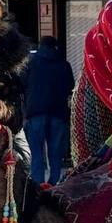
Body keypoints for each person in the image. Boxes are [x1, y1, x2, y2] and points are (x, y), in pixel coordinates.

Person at [23, 36, 75, 186]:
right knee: (55, 151)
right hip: (58, 112)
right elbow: (70, 86)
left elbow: (22, 83)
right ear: (55, 47)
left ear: (41, 45)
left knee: (37, 151)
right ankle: (54, 183)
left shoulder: (30, 63)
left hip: (35, 111)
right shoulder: (64, 64)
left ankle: (38, 184)